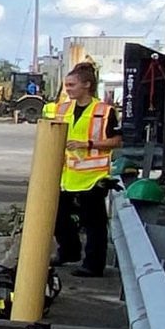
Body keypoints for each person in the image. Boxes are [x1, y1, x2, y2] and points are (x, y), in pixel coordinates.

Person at [51, 65, 121, 277]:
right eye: (67, 85)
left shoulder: (104, 111)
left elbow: (117, 141)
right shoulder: (62, 109)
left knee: (94, 223)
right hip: (66, 175)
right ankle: (69, 251)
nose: (68, 89)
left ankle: (93, 264)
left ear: (87, 85)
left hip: (93, 176)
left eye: (72, 85)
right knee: (57, 216)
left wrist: (87, 144)